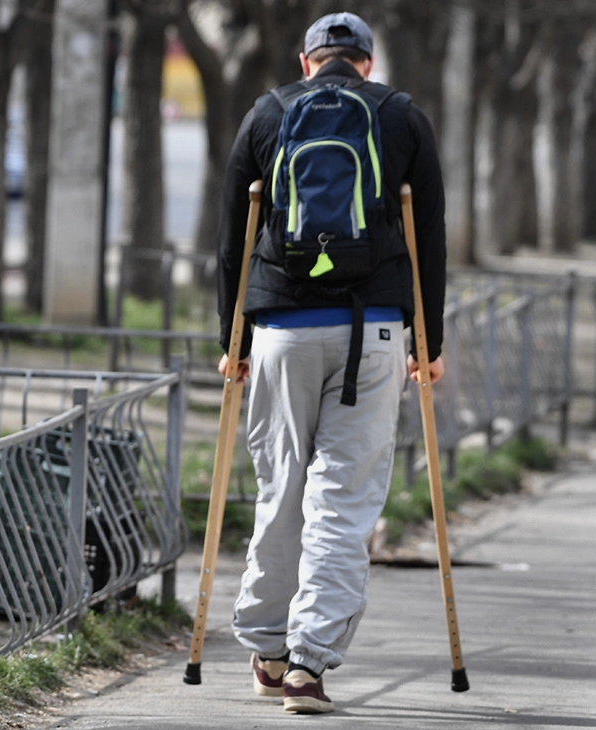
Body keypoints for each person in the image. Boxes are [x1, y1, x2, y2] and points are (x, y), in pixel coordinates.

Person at [216, 12, 446, 715]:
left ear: (306, 60)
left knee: (281, 485)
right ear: (367, 64)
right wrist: (427, 342)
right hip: (373, 331)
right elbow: (429, 234)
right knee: (342, 501)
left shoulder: (268, 112)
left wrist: (234, 343)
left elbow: (232, 235)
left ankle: (267, 645)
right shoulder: (401, 116)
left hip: (280, 326)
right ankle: (309, 667)